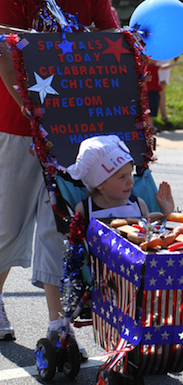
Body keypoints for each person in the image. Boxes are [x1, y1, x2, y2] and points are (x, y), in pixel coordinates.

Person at [0, 1, 117, 351]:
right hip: (15, 127)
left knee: (61, 228)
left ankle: (59, 327)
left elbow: (113, 39)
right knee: (7, 225)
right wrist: (26, 102)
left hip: (71, 127)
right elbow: (3, 49)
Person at [67, 135, 174, 226]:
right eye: (122, 177)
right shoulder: (84, 209)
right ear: (99, 184)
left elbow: (154, 233)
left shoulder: (138, 205)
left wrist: (167, 211)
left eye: (130, 174)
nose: (130, 181)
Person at [157, 58, 183, 129]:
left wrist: (175, 54)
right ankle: (149, 119)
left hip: (165, 58)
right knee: (151, 86)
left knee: (161, 86)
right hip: (152, 57)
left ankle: (164, 116)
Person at [146, 59, 162, 134]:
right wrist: (177, 64)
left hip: (151, 92)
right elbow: (163, 67)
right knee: (150, 112)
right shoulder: (151, 67)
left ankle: (151, 127)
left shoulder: (147, 68)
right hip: (151, 92)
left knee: (151, 112)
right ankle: (150, 128)